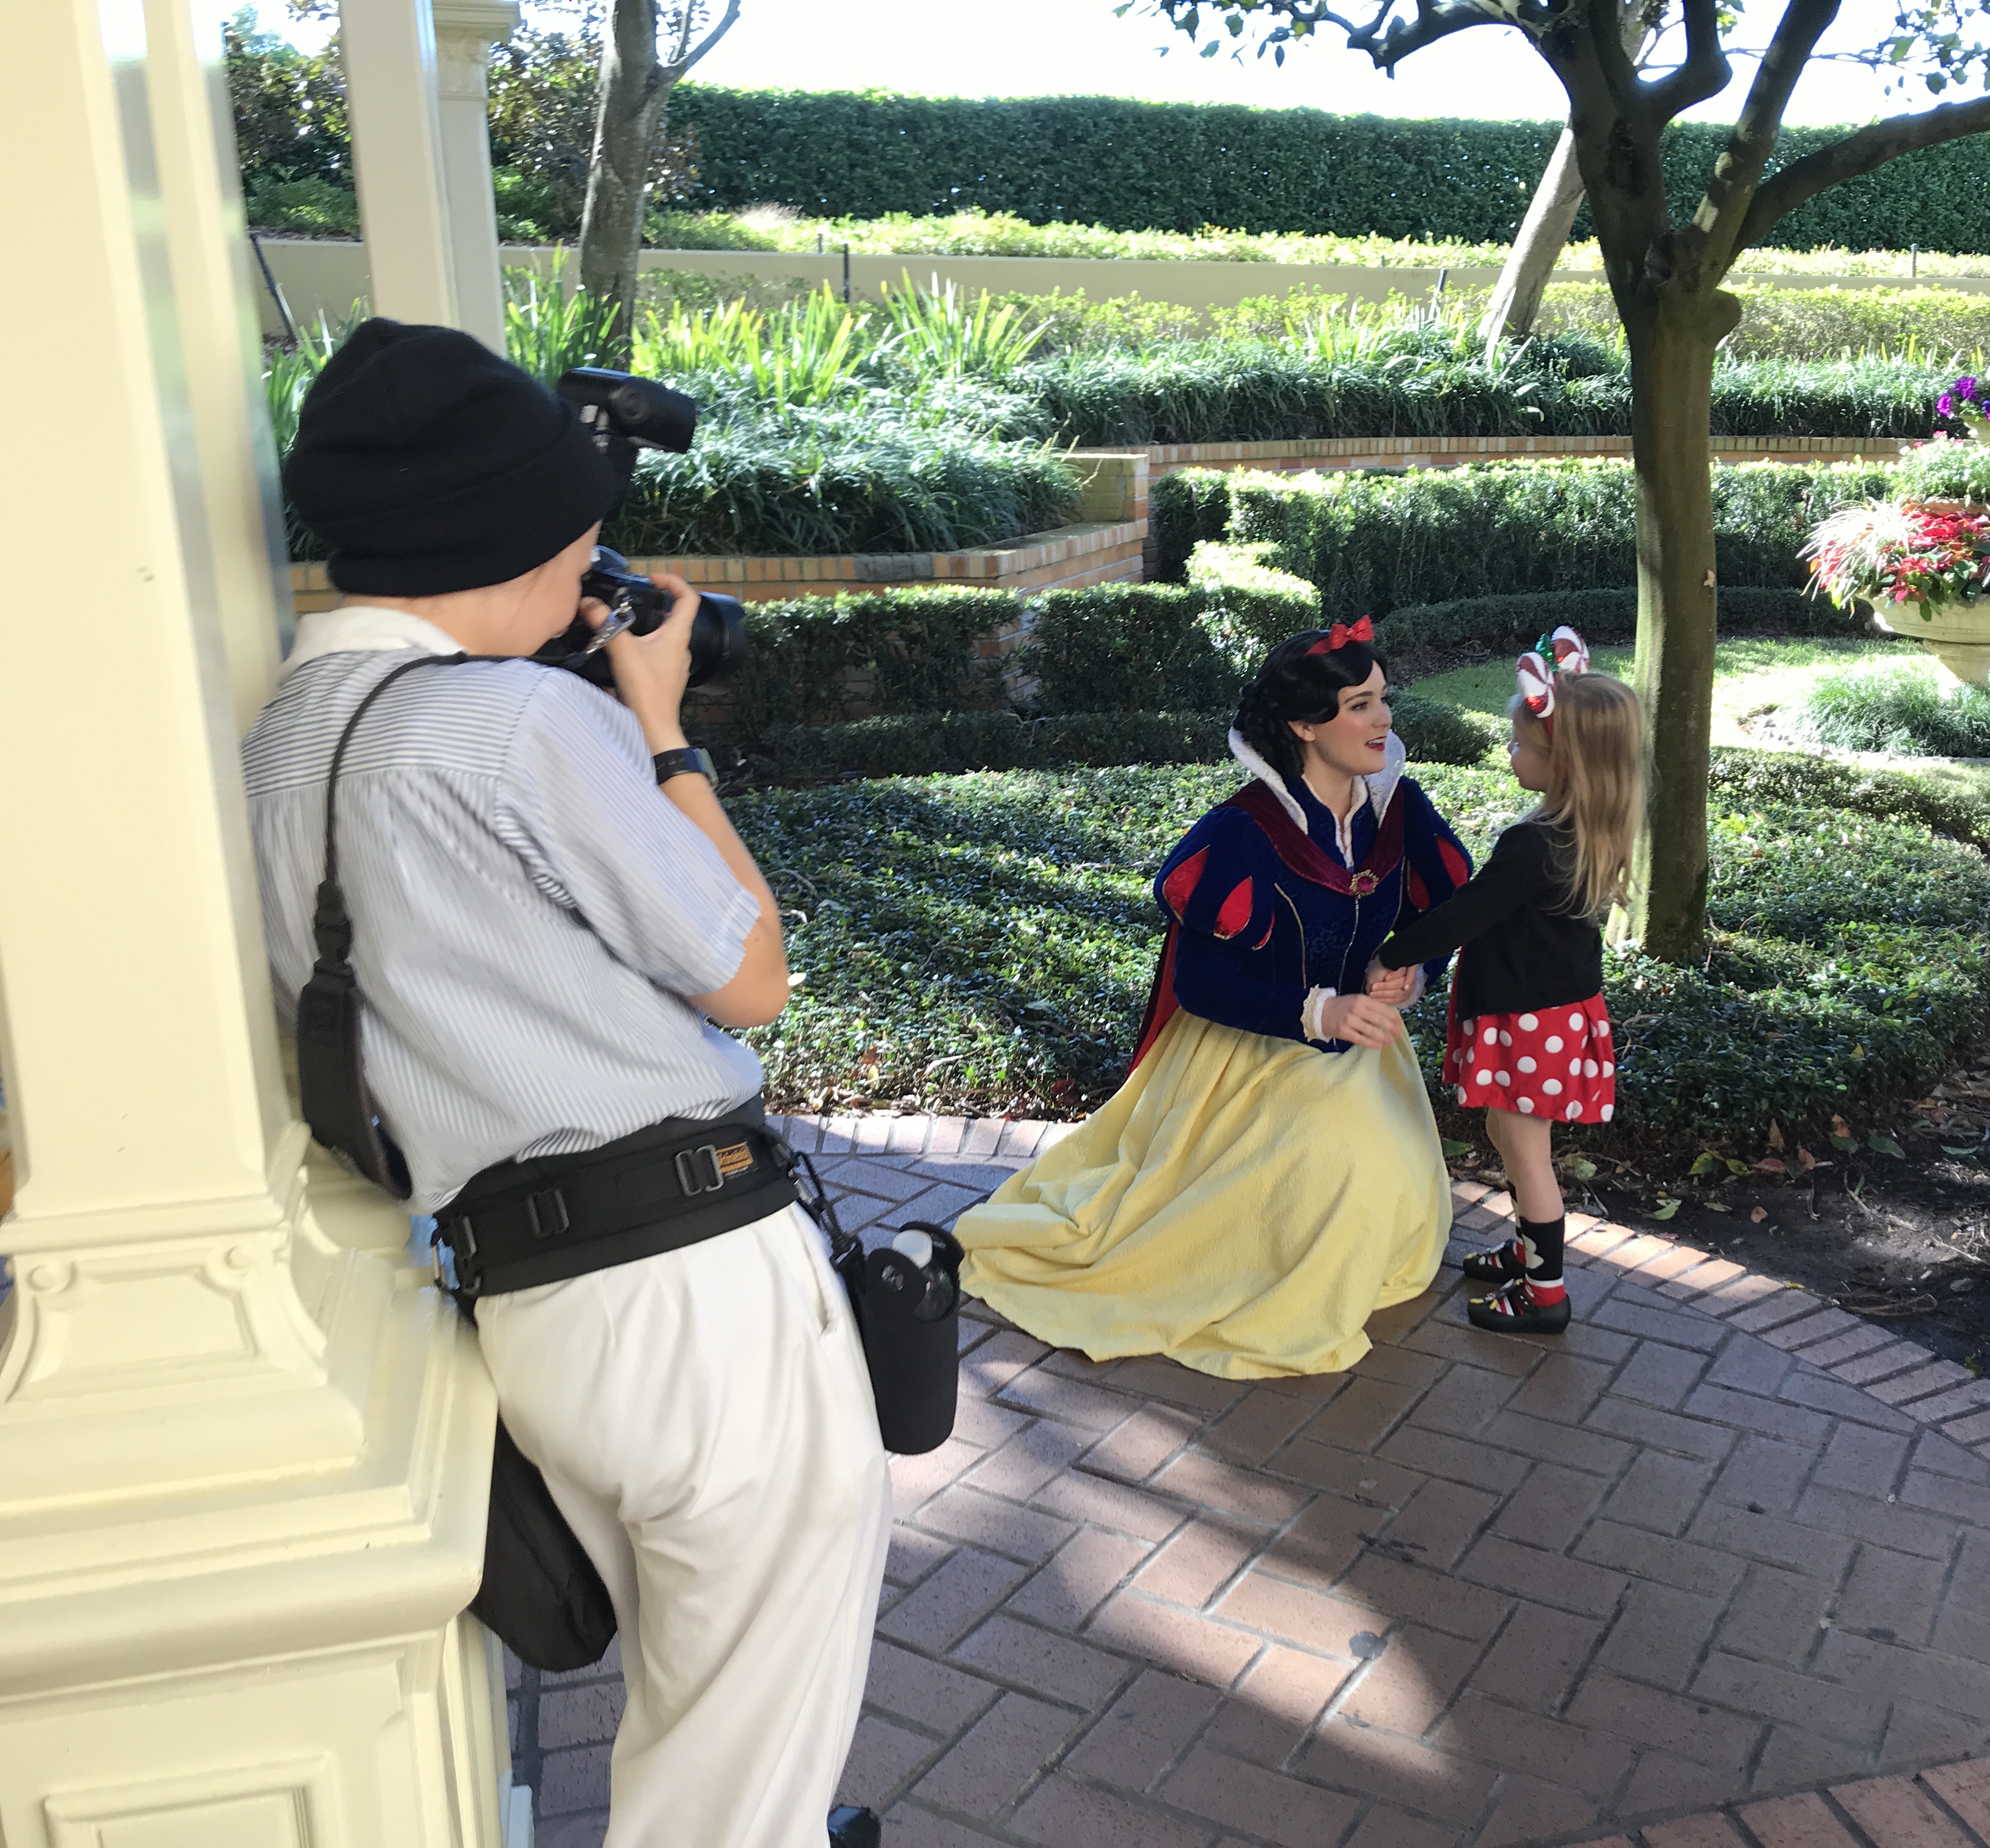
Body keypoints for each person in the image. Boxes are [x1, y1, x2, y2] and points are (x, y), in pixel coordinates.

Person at [240, 320, 887, 1848]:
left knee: (702, 1708)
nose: (596, 570)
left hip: (537, 1307)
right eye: (582, 539)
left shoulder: (275, 745)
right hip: (694, 1294)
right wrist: (660, 724)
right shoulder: (522, 724)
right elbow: (750, 975)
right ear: (511, 539)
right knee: (738, 1758)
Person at [956, 622, 1475, 1378]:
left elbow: (1447, 913)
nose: (1384, 719)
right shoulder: (1245, 831)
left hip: (1362, 1048)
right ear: (1304, 725)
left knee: (1377, 1171)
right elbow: (1201, 984)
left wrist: (1414, 968)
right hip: (1246, 1053)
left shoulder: (1399, 809)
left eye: (1382, 699)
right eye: (1359, 705)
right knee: (1342, 1157)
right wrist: (1317, 1011)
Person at [1367, 628, 1642, 1335]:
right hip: (1550, 1017)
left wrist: (1392, 954)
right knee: (1505, 1132)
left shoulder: (1533, 846)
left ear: (1563, 763)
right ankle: (1526, 1252)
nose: (1509, 752)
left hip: (1529, 1022)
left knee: (1526, 1154)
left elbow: (1465, 913)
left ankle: (1544, 1293)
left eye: (1520, 744)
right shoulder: (1579, 829)